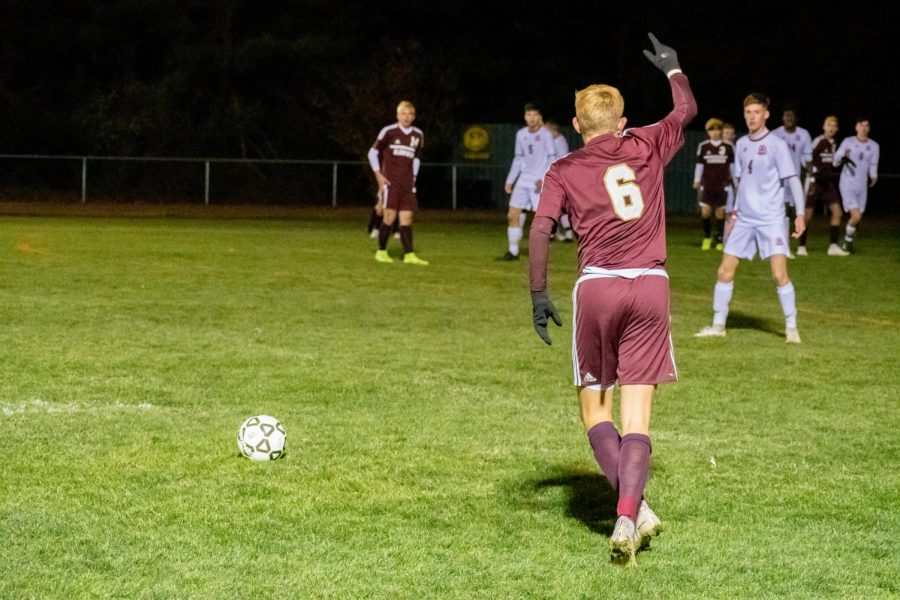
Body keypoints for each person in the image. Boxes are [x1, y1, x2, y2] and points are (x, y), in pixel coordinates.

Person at [529, 33, 696, 565]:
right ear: (622, 122)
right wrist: (671, 68)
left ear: (576, 126)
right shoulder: (646, 143)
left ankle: (633, 510)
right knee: (638, 416)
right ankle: (629, 516)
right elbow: (687, 108)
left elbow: (539, 231)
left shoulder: (563, 168)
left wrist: (538, 293)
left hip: (598, 285)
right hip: (650, 285)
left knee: (595, 407)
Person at [695, 93, 806, 343]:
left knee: (779, 274)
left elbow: (792, 180)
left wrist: (799, 214)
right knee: (724, 272)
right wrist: (734, 211)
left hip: (772, 219)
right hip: (744, 218)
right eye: (748, 112)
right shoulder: (742, 144)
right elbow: (740, 181)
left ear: (766, 114)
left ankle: (791, 327)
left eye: (756, 112)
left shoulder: (777, 144)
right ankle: (718, 325)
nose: (752, 117)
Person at [368, 100, 429, 265]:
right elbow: (372, 153)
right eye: (403, 113)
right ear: (397, 115)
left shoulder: (418, 135)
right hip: (391, 183)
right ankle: (381, 251)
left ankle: (409, 255)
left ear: (414, 116)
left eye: (410, 114)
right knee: (389, 217)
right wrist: (378, 175)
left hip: (408, 184)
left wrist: (415, 175)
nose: (407, 117)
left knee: (407, 218)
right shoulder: (389, 131)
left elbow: (417, 157)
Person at [500, 103, 557, 260]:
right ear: (525, 116)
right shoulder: (521, 134)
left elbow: (553, 158)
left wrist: (546, 178)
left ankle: (541, 250)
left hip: (539, 180)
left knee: (540, 218)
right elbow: (518, 159)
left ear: (540, 117)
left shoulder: (546, 135)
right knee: (512, 215)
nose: (531, 118)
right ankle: (513, 251)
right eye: (528, 115)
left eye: (534, 115)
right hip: (523, 180)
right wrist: (510, 180)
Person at [804, 116, 848, 256]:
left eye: (834, 125)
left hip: (827, 183)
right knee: (808, 215)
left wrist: (842, 158)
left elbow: (834, 164)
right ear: (824, 127)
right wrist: (811, 175)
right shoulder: (818, 141)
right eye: (829, 124)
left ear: (837, 129)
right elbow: (807, 158)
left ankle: (833, 246)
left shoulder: (834, 143)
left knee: (837, 212)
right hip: (814, 181)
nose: (831, 127)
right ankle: (801, 246)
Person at [833, 117, 879, 253]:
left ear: (869, 128)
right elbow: (835, 162)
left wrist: (874, 175)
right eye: (861, 125)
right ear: (856, 127)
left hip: (862, 185)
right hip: (847, 183)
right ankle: (846, 241)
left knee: (859, 216)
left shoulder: (874, 146)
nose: (863, 128)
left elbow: (873, 163)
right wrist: (842, 155)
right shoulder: (848, 142)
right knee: (856, 215)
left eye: (866, 126)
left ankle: (848, 241)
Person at [772, 107, 812, 257]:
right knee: (783, 211)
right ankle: (784, 245)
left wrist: (811, 176)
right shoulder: (776, 134)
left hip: (796, 179)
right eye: (786, 116)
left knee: (801, 212)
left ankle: (802, 245)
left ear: (796, 119)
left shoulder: (803, 134)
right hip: (779, 181)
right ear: (782, 118)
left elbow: (807, 157)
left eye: (791, 116)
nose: (788, 119)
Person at [693, 118, 734, 250]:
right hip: (707, 184)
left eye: (717, 130)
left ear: (721, 132)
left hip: (722, 184)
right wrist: (696, 179)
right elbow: (699, 165)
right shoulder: (703, 146)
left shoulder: (728, 147)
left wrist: (735, 181)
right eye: (712, 130)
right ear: (708, 132)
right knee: (705, 212)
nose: (715, 133)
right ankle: (707, 237)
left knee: (720, 213)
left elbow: (732, 166)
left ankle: (719, 239)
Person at [545, 120, 575, 242]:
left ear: (553, 130)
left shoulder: (559, 142)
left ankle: (556, 233)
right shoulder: (557, 141)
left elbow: (560, 161)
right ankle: (563, 233)